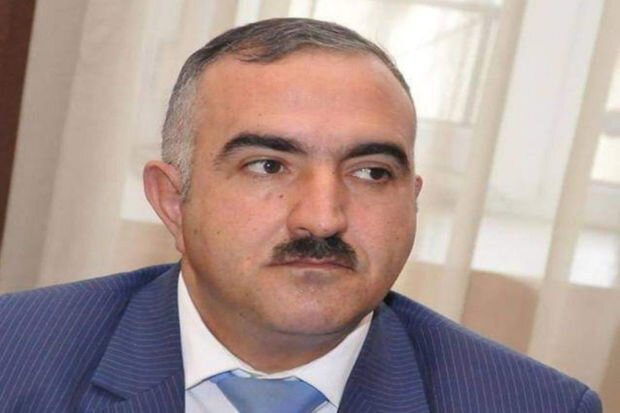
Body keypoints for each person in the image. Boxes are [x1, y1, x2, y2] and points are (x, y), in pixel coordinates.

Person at [0, 18, 601, 413]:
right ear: (173, 201)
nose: (322, 219)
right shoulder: (14, 358)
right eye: (268, 166)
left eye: (371, 173)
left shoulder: (533, 405)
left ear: (412, 201)